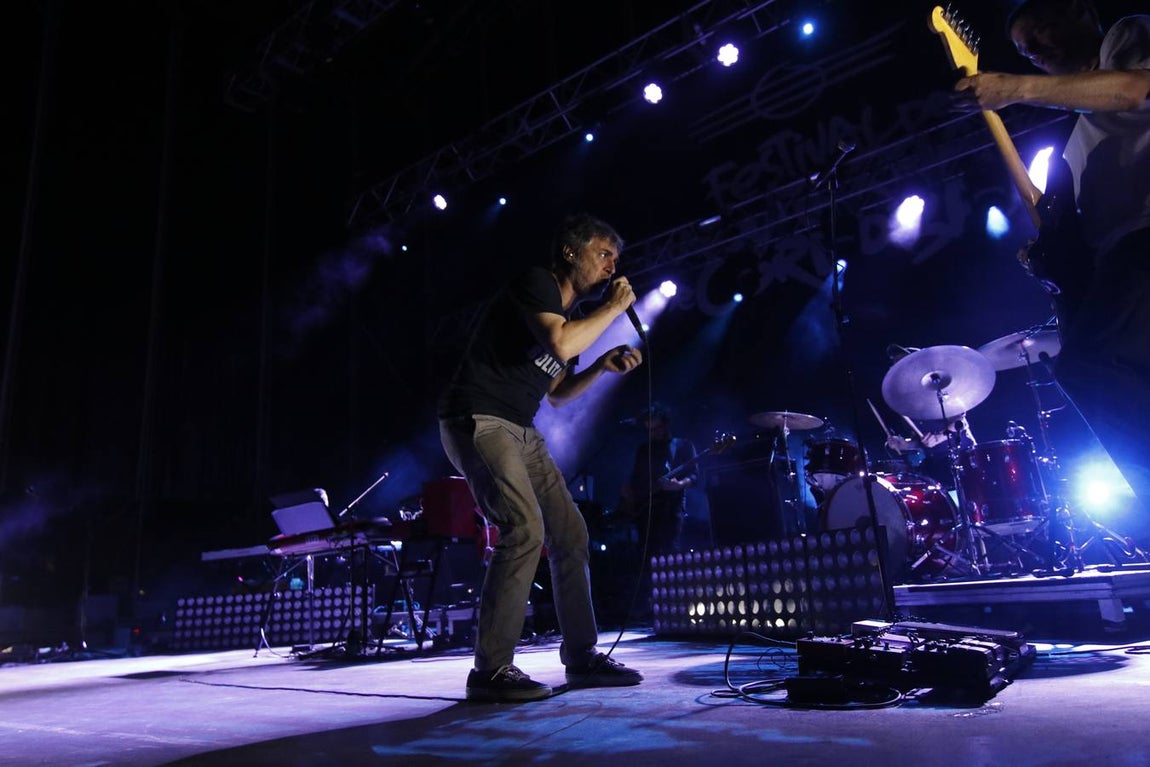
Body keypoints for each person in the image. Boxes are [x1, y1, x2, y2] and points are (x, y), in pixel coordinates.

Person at [437, 212, 645, 702]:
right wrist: (614, 310)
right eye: (604, 253)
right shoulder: (536, 284)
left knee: (571, 532)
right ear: (571, 253)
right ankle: (489, 670)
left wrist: (598, 367)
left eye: (616, 258)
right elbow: (558, 341)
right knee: (524, 528)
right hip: (479, 418)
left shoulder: (569, 320)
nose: (613, 265)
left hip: (522, 429)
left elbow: (557, 392)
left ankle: (582, 658)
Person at [951, 0, 1150, 512]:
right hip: (1123, 255)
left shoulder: (1126, 36)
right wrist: (1049, 251)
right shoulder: (1080, 139)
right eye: (1022, 50)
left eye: (1038, 32)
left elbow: (1135, 87)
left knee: (1087, 363)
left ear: (1080, 12)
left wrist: (1014, 86)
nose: (1034, 51)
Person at [617, 403, 698, 558]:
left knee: (670, 553)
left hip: (671, 509)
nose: (655, 433)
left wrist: (679, 485)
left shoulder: (683, 445)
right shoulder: (644, 450)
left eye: (658, 428)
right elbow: (636, 480)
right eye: (650, 430)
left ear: (666, 424)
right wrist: (628, 496)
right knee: (646, 555)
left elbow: (694, 476)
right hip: (645, 512)